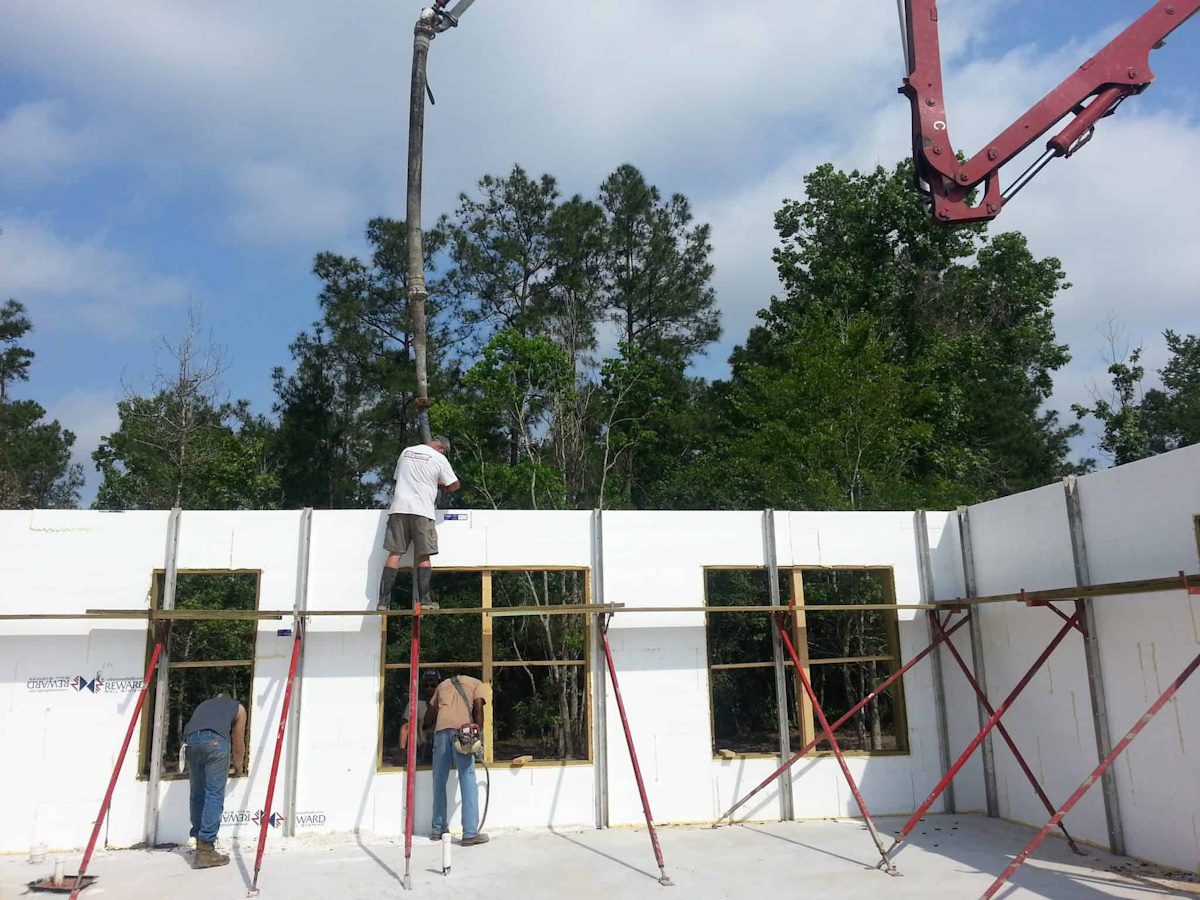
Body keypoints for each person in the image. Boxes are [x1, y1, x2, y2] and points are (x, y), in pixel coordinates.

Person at [378, 436, 460, 611]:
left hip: (399, 508)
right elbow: (454, 484)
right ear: (441, 448)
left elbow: (398, 477)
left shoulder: (406, 451)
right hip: (422, 511)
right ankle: (424, 601)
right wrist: (442, 486)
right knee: (423, 555)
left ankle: (383, 602)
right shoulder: (439, 458)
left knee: (394, 554)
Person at [423, 672, 489, 845]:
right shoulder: (477, 684)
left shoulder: (442, 685)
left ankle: (438, 829)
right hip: (463, 732)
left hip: (441, 733)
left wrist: (423, 727)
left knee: (439, 780)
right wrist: (478, 737)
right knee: (467, 778)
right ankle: (469, 833)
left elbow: (429, 717)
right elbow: (478, 710)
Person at [183, 692, 246, 869]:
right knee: (214, 794)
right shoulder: (238, 708)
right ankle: (206, 849)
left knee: (197, 794)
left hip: (190, 743)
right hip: (216, 744)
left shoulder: (204, 704)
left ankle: (198, 842)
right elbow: (238, 741)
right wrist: (239, 767)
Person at [399, 670, 439, 765]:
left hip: (442, 752)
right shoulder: (414, 704)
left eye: (433, 685)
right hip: (420, 753)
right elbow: (405, 728)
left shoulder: (446, 703)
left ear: (439, 686)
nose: (429, 688)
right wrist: (401, 752)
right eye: (426, 685)